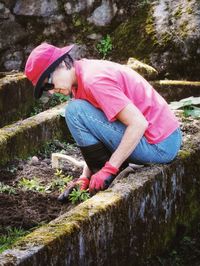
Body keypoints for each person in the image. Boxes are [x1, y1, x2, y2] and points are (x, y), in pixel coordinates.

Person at [25, 42, 182, 200]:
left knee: (74, 111)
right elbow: (100, 132)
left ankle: (111, 173)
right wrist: (84, 176)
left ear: (62, 64)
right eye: (46, 89)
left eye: (48, 83)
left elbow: (138, 123)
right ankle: (98, 173)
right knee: (76, 110)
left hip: (161, 145)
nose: (51, 91)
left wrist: (110, 169)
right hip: (161, 139)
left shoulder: (94, 81)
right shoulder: (81, 78)